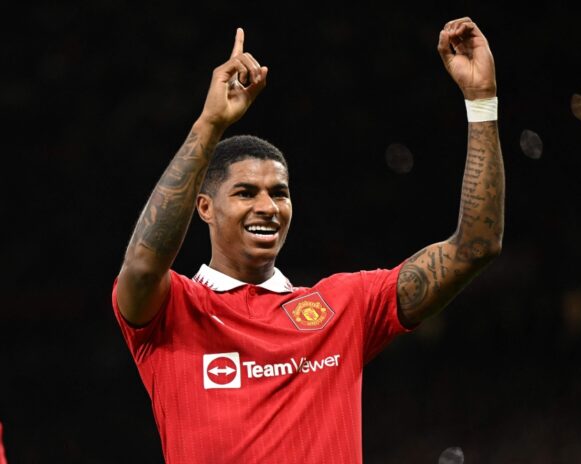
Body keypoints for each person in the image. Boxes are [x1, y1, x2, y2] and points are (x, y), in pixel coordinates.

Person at [112, 16, 504, 464]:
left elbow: (476, 247)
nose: (268, 207)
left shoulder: (345, 306)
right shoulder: (173, 310)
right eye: (245, 193)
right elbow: (142, 265)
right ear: (204, 207)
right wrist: (209, 123)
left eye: (279, 193)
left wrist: (481, 101)